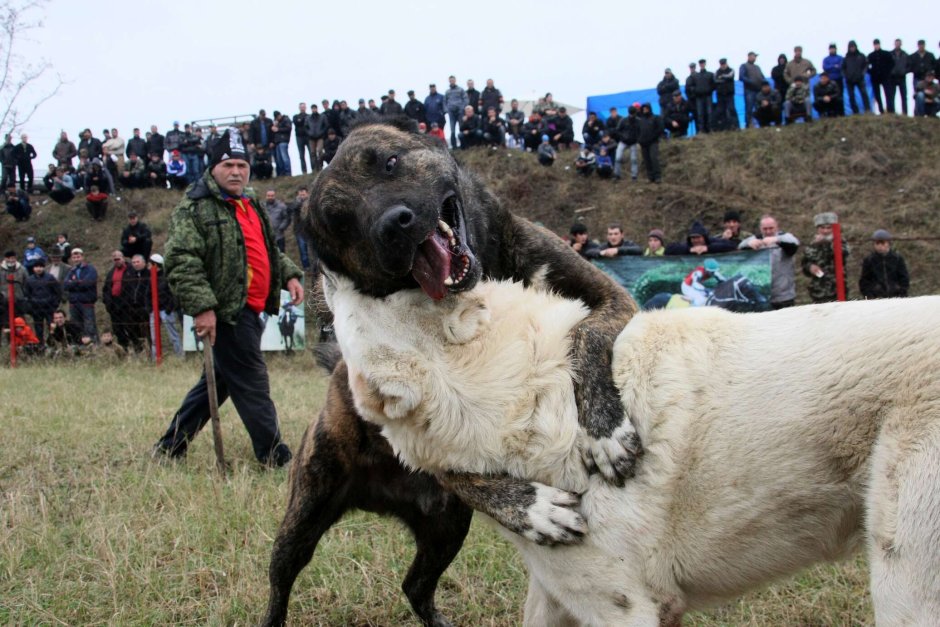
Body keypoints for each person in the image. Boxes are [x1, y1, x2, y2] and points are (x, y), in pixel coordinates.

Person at [152, 128, 303, 467]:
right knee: (252, 382)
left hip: (253, 308)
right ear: (213, 168)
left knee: (217, 382)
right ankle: (275, 457)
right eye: (228, 165)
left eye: (241, 165)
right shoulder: (195, 207)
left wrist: (290, 274)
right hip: (228, 311)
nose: (236, 172)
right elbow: (182, 260)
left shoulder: (250, 201)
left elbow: (266, 249)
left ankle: (170, 447)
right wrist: (203, 307)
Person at [739, 215, 801, 309]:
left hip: (784, 296)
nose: (768, 232)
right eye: (765, 229)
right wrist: (748, 244)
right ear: (760, 228)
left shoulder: (784, 237)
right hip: (762, 296)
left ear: (777, 227)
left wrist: (777, 240)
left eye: (771, 228)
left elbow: (795, 243)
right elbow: (740, 246)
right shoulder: (756, 239)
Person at [801, 212, 850, 303]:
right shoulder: (812, 244)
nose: (825, 231)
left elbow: (844, 253)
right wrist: (810, 267)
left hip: (837, 290)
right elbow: (805, 262)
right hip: (818, 291)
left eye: (828, 228)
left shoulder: (840, 242)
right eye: (822, 228)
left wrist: (827, 241)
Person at [148, 253, 183, 357]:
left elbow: (173, 295)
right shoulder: (150, 278)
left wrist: (169, 309)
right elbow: (147, 294)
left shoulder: (167, 278)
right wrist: (149, 308)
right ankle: (155, 358)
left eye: (150, 264)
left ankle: (180, 356)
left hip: (166, 311)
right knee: (154, 338)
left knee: (173, 335)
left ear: (155, 265)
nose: (148, 266)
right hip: (154, 311)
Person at [859, 229, 909, 299]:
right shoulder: (869, 260)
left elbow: (904, 278)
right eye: (877, 243)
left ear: (888, 243)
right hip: (876, 298)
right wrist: (869, 296)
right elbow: (864, 281)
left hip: (896, 297)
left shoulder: (897, 259)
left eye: (882, 243)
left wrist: (901, 292)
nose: (880, 246)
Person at [63, 248, 99, 342]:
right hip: (74, 303)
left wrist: (73, 283)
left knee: (89, 325)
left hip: (86, 302)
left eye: (78, 257)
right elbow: (65, 285)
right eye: (74, 257)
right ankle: (80, 345)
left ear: (82, 257)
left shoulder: (90, 269)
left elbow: (87, 284)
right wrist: (79, 282)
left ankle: (94, 344)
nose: (76, 259)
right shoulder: (71, 270)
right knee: (76, 326)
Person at [102, 250, 132, 349]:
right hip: (114, 305)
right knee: (117, 329)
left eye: (118, 259)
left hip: (127, 305)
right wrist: (107, 303)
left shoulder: (130, 270)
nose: (117, 261)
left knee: (130, 327)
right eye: (115, 260)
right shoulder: (111, 273)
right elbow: (106, 289)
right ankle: (123, 349)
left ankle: (136, 347)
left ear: (123, 258)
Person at [123, 254, 151, 353]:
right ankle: (138, 349)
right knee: (131, 328)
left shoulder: (149, 275)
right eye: (134, 262)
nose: (135, 264)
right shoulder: (130, 276)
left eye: (138, 262)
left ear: (144, 262)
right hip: (132, 308)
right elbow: (126, 290)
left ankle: (150, 350)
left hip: (145, 307)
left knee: (147, 330)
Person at [288, 187, 317, 275]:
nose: (302, 196)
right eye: (300, 194)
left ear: (307, 194)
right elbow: (292, 208)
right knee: (303, 251)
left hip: (311, 230)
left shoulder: (312, 202)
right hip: (299, 231)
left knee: (314, 250)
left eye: (303, 194)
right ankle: (306, 267)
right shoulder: (295, 203)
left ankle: (316, 267)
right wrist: (299, 201)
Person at [665, 221, 736, 255]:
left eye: (698, 237)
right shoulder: (688, 245)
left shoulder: (711, 241)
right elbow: (668, 249)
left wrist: (708, 248)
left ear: (704, 237)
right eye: (693, 238)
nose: (696, 240)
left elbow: (732, 245)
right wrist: (689, 250)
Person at [636, 103, 663, 183]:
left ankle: (657, 176)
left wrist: (654, 137)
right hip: (643, 143)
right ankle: (650, 177)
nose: (645, 110)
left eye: (646, 108)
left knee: (654, 158)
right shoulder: (641, 120)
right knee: (647, 160)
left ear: (649, 109)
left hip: (653, 142)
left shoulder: (656, 117)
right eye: (643, 109)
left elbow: (660, 129)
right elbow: (637, 131)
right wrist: (639, 140)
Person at [842, 40, 870, 114]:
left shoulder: (861, 56)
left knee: (864, 93)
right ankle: (855, 111)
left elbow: (866, 65)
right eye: (850, 47)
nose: (852, 48)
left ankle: (867, 109)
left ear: (856, 47)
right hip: (849, 80)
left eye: (853, 47)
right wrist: (846, 76)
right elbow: (842, 68)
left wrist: (862, 74)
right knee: (851, 96)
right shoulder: (846, 58)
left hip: (860, 79)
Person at [739, 51, 765, 128]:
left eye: (755, 57)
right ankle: (748, 124)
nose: (755, 58)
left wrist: (763, 83)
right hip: (749, 90)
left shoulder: (757, 67)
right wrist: (752, 82)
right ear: (749, 56)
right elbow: (741, 77)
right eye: (754, 56)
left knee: (759, 107)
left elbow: (762, 77)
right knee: (749, 108)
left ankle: (761, 123)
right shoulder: (744, 66)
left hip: (758, 90)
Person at [615, 104, 640, 180]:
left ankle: (634, 176)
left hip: (633, 142)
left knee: (634, 159)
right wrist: (622, 136)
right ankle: (617, 175)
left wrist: (637, 139)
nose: (632, 115)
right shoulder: (623, 120)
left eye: (633, 114)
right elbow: (618, 130)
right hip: (623, 141)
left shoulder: (638, 121)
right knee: (618, 158)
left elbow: (640, 131)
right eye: (631, 114)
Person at [444, 75, 469, 149]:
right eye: (450, 80)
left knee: (461, 128)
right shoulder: (447, 91)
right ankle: (454, 146)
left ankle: (463, 145)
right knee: (452, 130)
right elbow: (444, 101)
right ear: (449, 81)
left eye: (453, 80)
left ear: (455, 80)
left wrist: (462, 108)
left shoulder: (461, 90)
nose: (452, 81)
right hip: (451, 113)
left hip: (460, 112)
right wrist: (446, 110)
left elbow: (466, 99)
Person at [713, 58, 738, 131]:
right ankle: (724, 127)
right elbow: (715, 80)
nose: (723, 65)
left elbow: (730, 76)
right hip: (720, 95)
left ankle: (735, 126)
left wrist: (722, 77)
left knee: (731, 109)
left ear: (726, 63)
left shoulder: (731, 70)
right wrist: (724, 79)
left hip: (729, 94)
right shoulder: (717, 72)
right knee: (721, 111)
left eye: (724, 64)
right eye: (721, 64)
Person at [890, 39, 910, 115]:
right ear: (894, 44)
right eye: (896, 43)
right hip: (893, 77)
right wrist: (891, 72)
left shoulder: (905, 54)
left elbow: (910, 65)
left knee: (904, 96)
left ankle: (905, 112)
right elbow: (887, 65)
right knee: (892, 95)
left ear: (901, 44)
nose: (897, 45)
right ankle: (892, 112)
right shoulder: (890, 54)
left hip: (902, 77)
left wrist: (905, 71)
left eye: (899, 43)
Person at [271, 111, 292, 176]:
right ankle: (282, 173)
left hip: (283, 141)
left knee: (285, 157)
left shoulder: (286, 119)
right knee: (279, 159)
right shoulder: (277, 122)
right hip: (277, 142)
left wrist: (278, 129)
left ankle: (288, 172)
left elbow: (288, 128)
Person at [292, 102, 310, 175]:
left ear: (305, 107)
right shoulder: (295, 116)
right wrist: (303, 120)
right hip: (299, 137)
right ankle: (304, 171)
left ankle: (314, 168)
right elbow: (297, 123)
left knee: (311, 153)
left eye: (303, 107)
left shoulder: (309, 116)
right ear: (299, 108)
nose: (302, 108)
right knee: (301, 155)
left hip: (308, 136)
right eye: (301, 107)